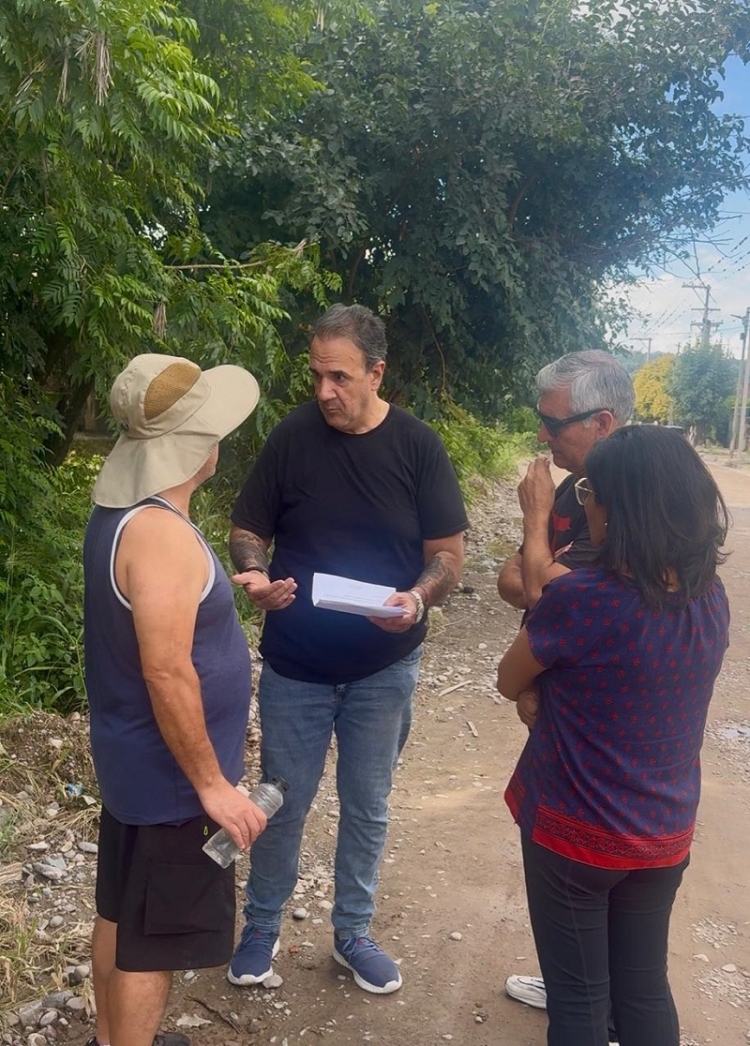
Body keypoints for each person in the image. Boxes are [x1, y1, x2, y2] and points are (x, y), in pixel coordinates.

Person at [227, 302, 468, 994]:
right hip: (295, 665)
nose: (325, 391)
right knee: (281, 800)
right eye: (316, 376)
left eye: (339, 377)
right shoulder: (293, 435)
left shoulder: (418, 446)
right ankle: (261, 928)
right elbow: (248, 527)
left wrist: (416, 599)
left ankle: (353, 933)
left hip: (383, 668)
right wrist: (255, 573)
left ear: (376, 373)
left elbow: (448, 555)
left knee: (367, 805)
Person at [496, 425, 730, 1046]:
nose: (588, 504)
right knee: (644, 989)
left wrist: (536, 520)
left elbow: (509, 678)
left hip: (574, 834)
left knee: (578, 1002)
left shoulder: (585, 599)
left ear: (620, 508)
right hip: (662, 833)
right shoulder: (710, 598)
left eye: (592, 492)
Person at [83, 354, 266, 1046]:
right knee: (152, 945)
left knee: (120, 915)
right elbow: (166, 671)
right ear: (198, 445)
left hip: (133, 766)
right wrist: (212, 785)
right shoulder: (160, 533)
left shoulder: (120, 515)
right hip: (170, 784)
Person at [497, 351, 634, 1030]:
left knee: (591, 878)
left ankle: (587, 1000)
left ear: (602, 422)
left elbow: (553, 594)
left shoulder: (628, 497)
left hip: (597, 740)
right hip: (566, 708)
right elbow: (516, 580)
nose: (542, 436)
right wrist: (537, 574)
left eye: (554, 424)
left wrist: (534, 542)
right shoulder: (579, 488)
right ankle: (582, 987)